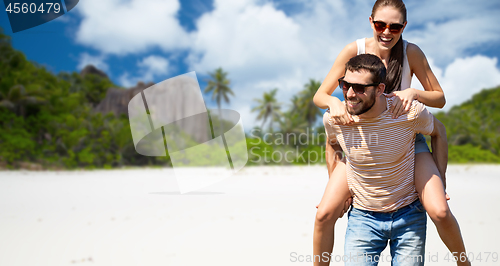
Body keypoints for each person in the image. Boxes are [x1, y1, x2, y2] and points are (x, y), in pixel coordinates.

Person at [312, 0, 470, 265]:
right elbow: (320, 95)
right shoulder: (355, 50)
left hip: (406, 134)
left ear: (404, 26)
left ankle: (463, 261)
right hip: (360, 137)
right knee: (325, 213)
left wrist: (413, 92)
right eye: (380, 24)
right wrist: (334, 102)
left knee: (438, 209)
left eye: (395, 27)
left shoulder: (411, 52)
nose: (387, 32)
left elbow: (440, 98)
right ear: (370, 21)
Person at [324, 53, 440, 265]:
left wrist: (440, 179)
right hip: (362, 218)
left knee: (441, 212)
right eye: (345, 85)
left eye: (359, 88)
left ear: (379, 89)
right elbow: (332, 143)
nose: (349, 94)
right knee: (323, 215)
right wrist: (339, 187)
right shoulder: (335, 118)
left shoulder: (407, 113)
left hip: (409, 215)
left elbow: (439, 129)